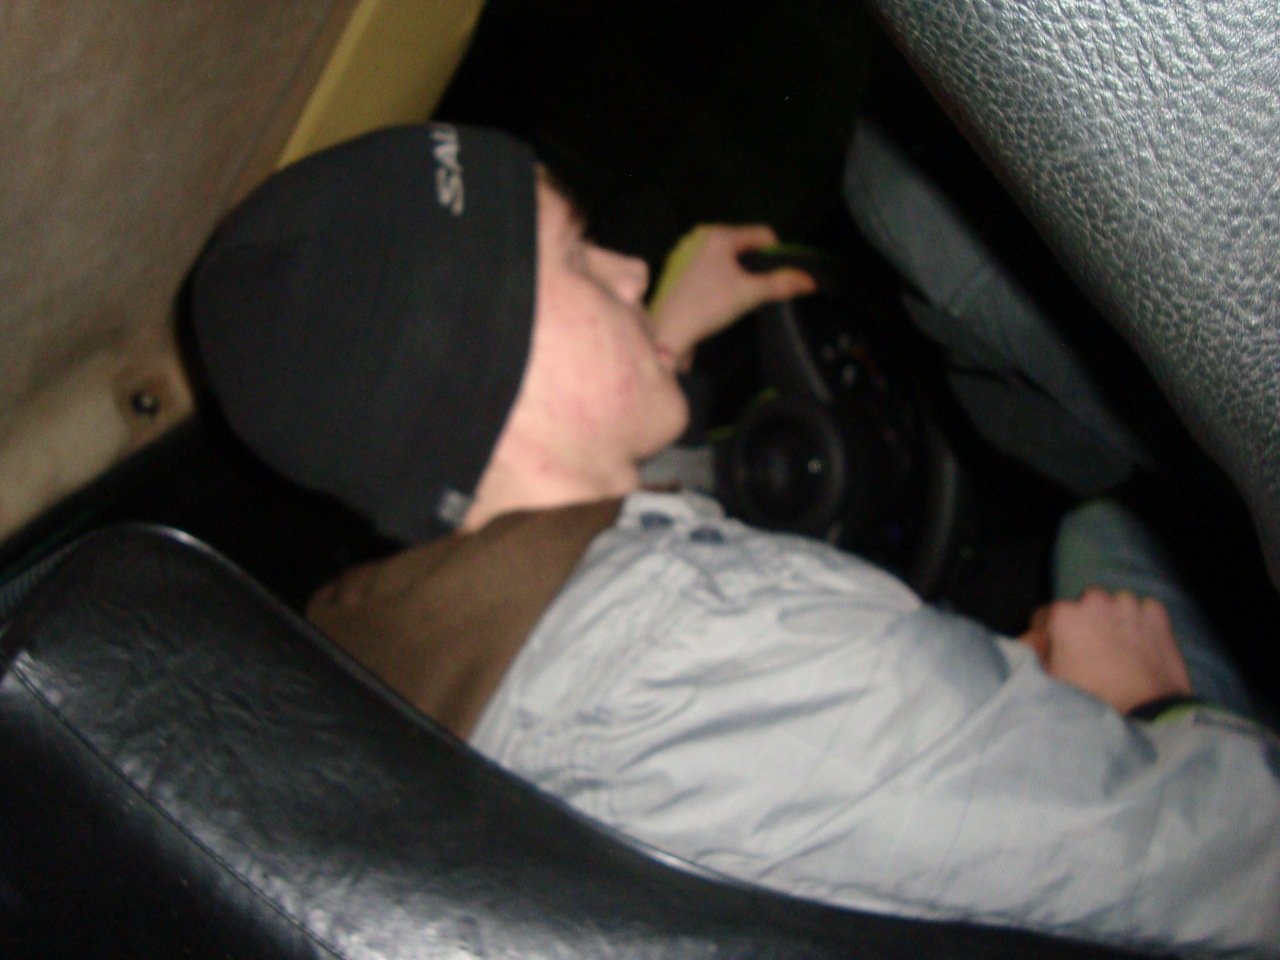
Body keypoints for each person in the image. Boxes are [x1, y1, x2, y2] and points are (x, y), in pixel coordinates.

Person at [191, 123, 1280, 956]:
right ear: (481, 364)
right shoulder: (704, 656)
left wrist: (653, 341)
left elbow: (574, 507)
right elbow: (1233, 872)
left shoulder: (392, 678)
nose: (628, 271)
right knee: (1123, 534)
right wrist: (1142, 706)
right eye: (577, 259)